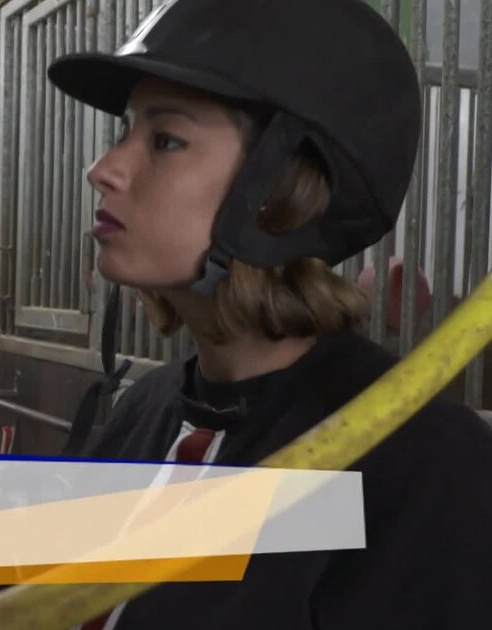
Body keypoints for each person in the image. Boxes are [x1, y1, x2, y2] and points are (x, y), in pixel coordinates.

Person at [46, 0, 492, 627]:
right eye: (125, 132)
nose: (103, 170)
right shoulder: (146, 409)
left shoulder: (416, 460)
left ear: (284, 190)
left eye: (167, 140)